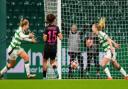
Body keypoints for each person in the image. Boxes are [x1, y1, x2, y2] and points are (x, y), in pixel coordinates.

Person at [43, 14, 63, 79]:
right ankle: (55, 71)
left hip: (47, 47)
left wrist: (45, 36)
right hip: (54, 47)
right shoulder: (56, 28)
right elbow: (61, 38)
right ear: (53, 20)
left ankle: (44, 77)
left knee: (45, 61)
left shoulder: (46, 28)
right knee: (52, 61)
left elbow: (44, 39)